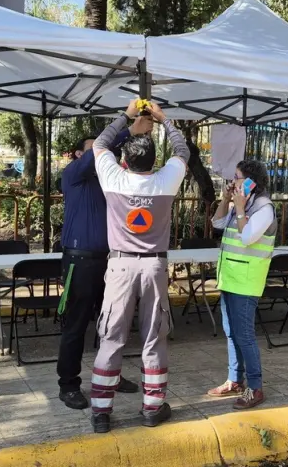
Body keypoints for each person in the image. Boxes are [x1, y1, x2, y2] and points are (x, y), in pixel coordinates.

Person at [89, 99, 189, 434]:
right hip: (154, 268)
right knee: (153, 338)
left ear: (125, 160)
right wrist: (163, 119)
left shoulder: (113, 177)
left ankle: (101, 412)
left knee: (111, 338)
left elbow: (101, 143)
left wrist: (128, 116)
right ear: (153, 161)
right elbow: (182, 151)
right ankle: (152, 407)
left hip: (119, 267)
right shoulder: (167, 180)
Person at [56, 133, 140, 410]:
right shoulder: (73, 176)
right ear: (80, 156)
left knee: (112, 325)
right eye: (93, 150)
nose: (101, 155)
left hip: (110, 261)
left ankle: (110, 375)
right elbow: (102, 148)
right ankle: (68, 385)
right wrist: (125, 129)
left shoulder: (110, 182)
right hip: (79, 262)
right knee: (76, 326)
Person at [205, 159, 275, 410]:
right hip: (230, 278)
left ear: (249, 182)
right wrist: (226, 200)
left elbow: (247, 238)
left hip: (246, 282)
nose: (231, 182)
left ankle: (254, 388)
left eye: (236, 178)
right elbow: (217, 224)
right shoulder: (240, 203)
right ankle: (235, 379)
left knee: (244, 335)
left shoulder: (264, 207)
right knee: (230, 332)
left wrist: (241, 207)